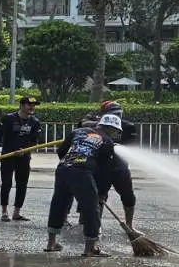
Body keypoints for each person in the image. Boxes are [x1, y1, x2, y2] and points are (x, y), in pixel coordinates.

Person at [46, 113, 124, 258]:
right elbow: (103, 170)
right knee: (91, 208)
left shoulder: (78, 132)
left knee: (59, 204)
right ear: (110, 129)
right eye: (115, 131)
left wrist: (71, 163)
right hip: (82, 172)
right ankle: (90, 248)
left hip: (63, 169)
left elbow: (61, 151)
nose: (116, 135)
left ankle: (51, 243)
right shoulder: (107, 142)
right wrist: (101, 193)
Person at [0, 96, 41, 222]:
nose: (32, 107)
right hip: (8, 156)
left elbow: (35, 142)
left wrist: (25, 150)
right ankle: (4, 212)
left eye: (33, 105)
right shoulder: (9, 118)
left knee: (22, 184)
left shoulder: (35, 122)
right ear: (21, 105)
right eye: (29, 105)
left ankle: (17, 213)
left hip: (24, 157)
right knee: (6, 183)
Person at [93, 99, 139, 232]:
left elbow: (131, 147)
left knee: (128, 196)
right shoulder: (97, 127)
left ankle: (129, 225)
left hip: (120, 167)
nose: (117, 116)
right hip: (102, 167)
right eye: (113, 113)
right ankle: (96, 226)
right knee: (99, 196)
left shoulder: (128, 127)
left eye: (118, 113)